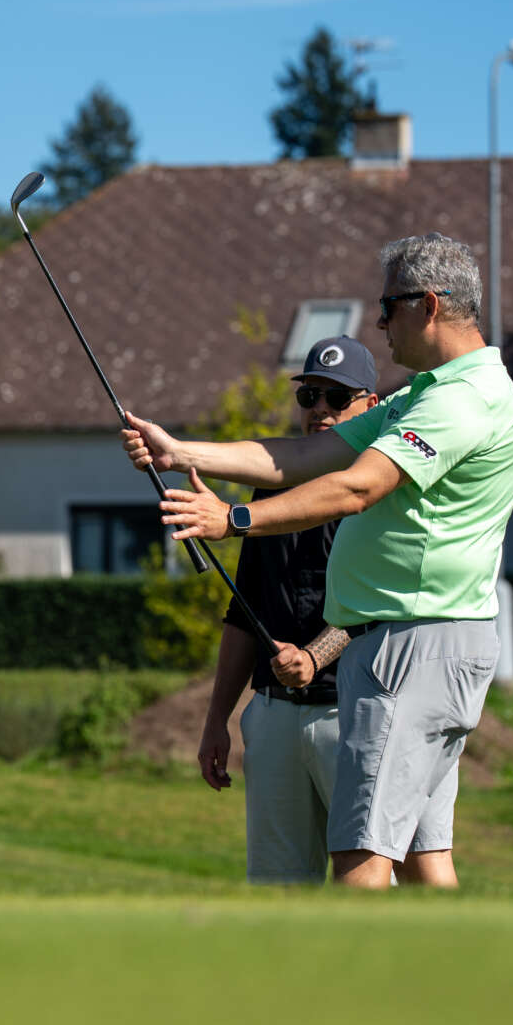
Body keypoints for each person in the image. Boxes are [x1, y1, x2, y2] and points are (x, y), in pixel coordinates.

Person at [126, 234, 513, 889]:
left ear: (427, 306)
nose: (379, 323)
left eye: (387, 306)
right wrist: (180, 453)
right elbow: (307, 459)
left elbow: (359, 486)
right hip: (413, 643)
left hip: (414, 642)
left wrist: (234, 520)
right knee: (425, 863)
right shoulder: (429, 393)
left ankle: (353, 992)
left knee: (360, 856)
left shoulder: (463, 398)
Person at [197, 335, 380, 884]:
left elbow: (377, 604)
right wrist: (216, 722)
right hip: (273, 714)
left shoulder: (382, 493)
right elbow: (243, 612)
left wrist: (317, 655)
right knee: (276, 893)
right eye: (310, 397)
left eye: (338, 397)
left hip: (352, 714)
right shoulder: (268, 496)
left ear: (371, 404)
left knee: (368, 891)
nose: (321, 409)